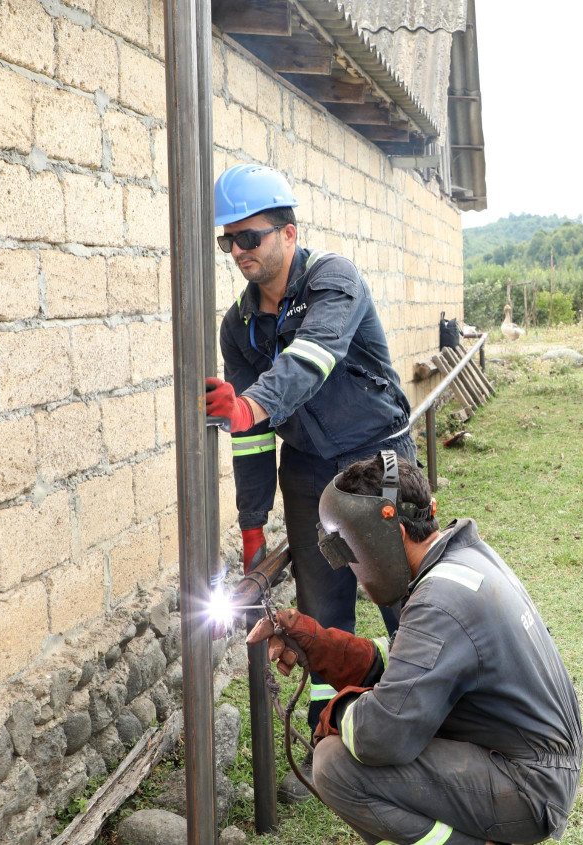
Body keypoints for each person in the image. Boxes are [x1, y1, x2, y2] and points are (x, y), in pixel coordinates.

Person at [246, 453, 583, 845]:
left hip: (529, 788)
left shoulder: (439, 601)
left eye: (353, 549)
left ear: (394, 534)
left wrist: (337, 712)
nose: (353, 566)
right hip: (538, 765)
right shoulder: (463, 558)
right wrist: (318, 643)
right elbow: (407, 662)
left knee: (335, 765)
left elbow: (382, 735)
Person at [207, 163, 416, 735]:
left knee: (403, 593)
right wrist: (253, 525)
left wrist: (248, 404)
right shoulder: (240, 326)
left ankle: (428, 705)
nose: (237, 251)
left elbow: (312, 360)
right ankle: (333, 724)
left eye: (250, 237)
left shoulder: (334, 280)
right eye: (229, 240)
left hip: (377, 460)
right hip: (307, 474)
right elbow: (247, 436)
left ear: (289, 233)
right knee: (322, 608)